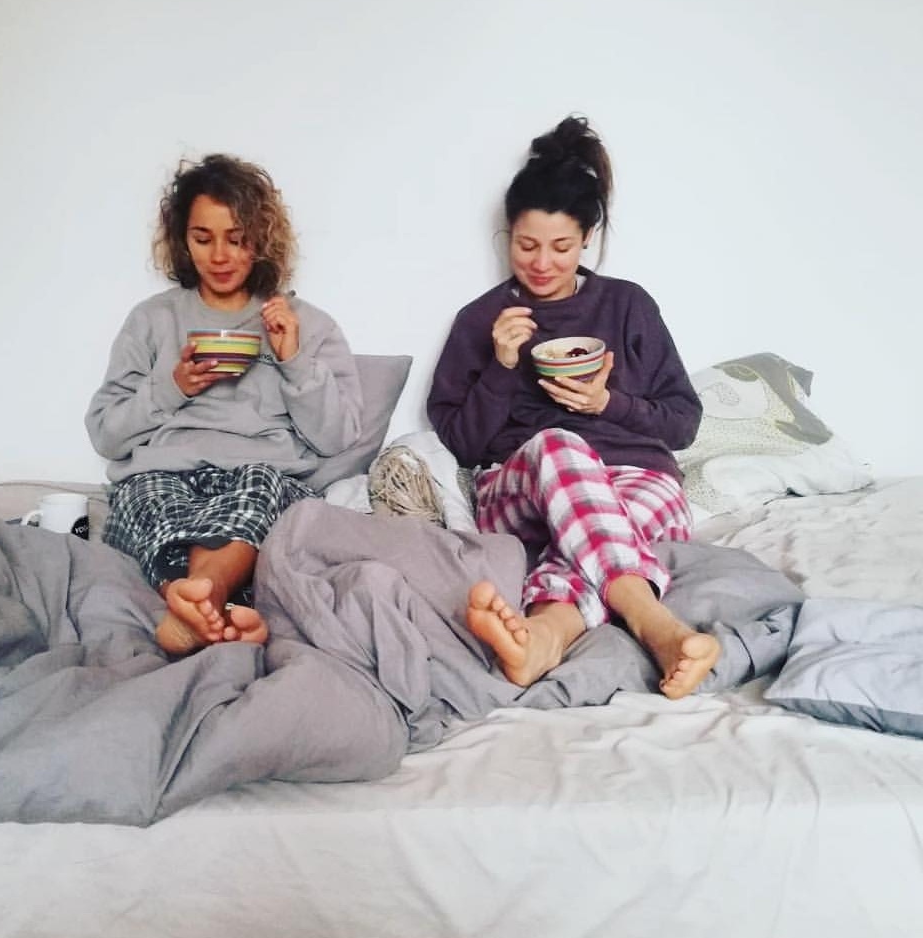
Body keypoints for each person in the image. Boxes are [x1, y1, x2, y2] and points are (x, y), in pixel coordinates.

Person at [427, 116, 719, 699]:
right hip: (524, 492)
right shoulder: (481, 320)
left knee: (599, 526)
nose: (542, 263)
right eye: (526, 245)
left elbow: (683, 422)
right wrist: (501, 367)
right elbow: (462, 442)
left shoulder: (628, 306)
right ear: (507, 235)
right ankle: (654, 624)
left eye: (560, 247)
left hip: (637, 480)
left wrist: (608, 402)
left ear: (587, 237)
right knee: (561, 445)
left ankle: (545, 636)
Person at [86, 154, 363, 657]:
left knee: (260, 489)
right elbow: (106, 433)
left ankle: (196, 602)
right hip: (165, 472)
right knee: (145, 493)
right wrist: (172, 387)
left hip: (260, 475)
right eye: (202, 238)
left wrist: (294, 360)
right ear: (181, 240)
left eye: (237, 239)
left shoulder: (306, 324)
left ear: (262, 239)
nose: (219, 256)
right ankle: (220, 607)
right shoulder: (151, 320)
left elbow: (338, 436)